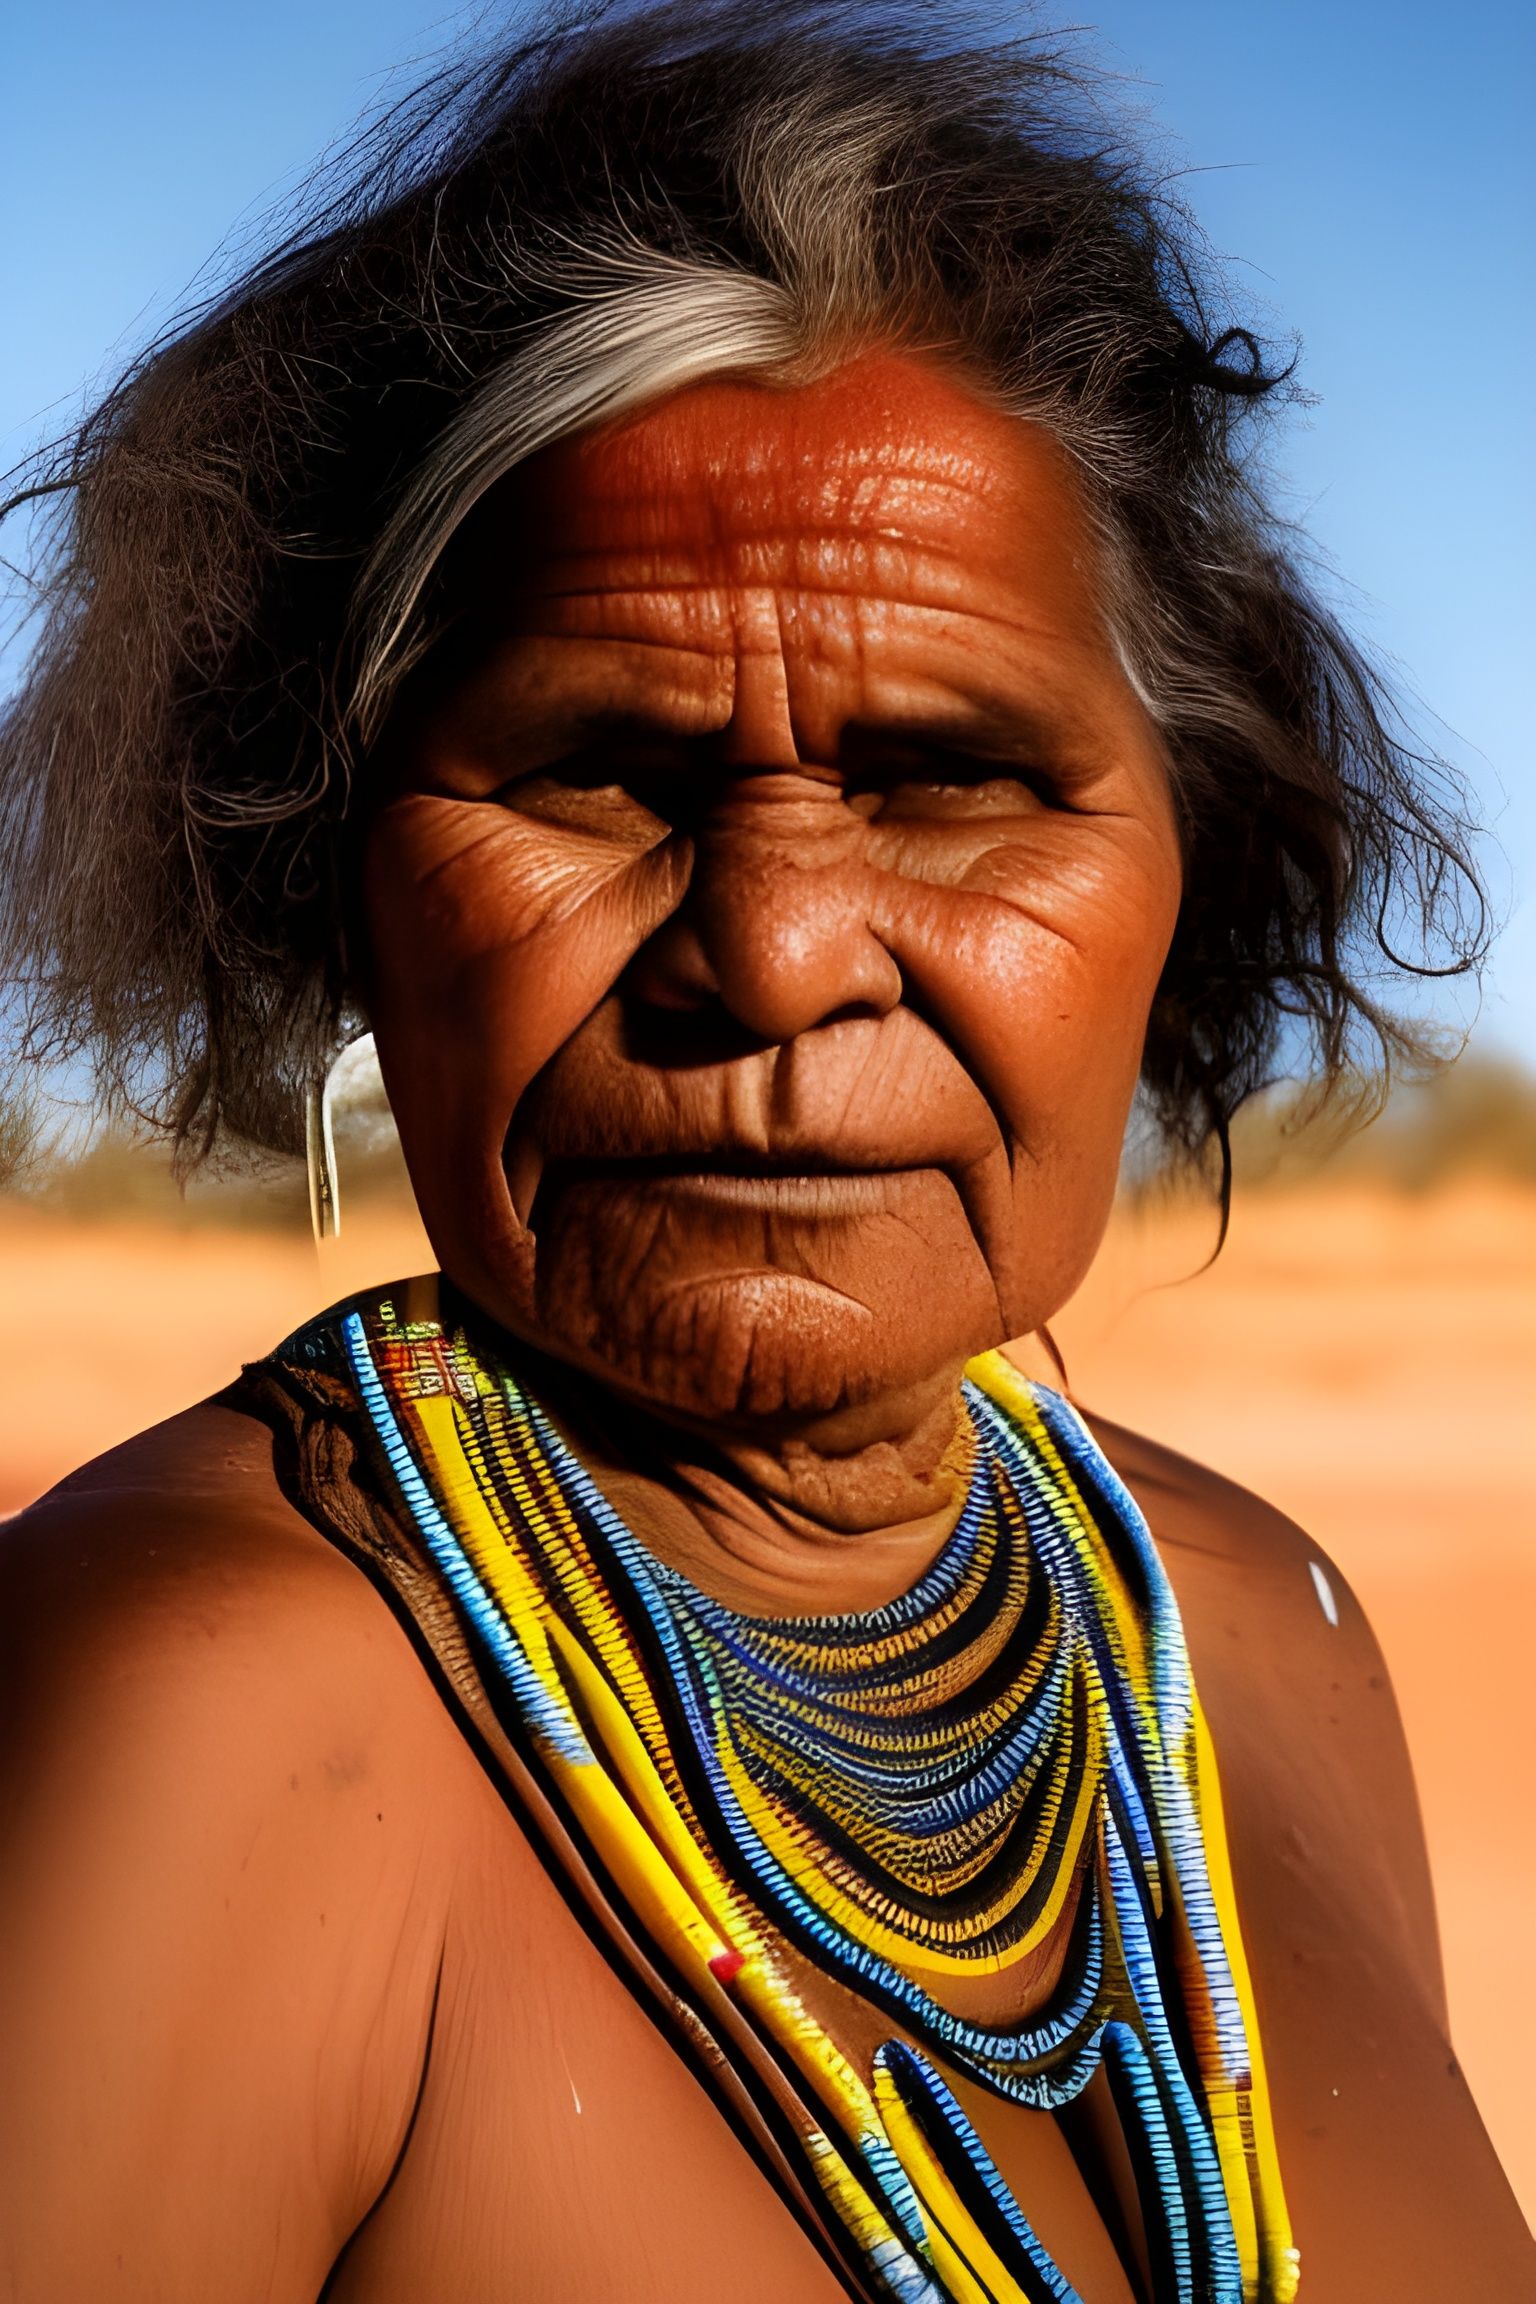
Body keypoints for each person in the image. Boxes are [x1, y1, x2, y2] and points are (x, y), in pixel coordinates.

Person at [1, 6, 1529, 2298]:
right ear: (334, 876)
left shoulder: (1256, 1637)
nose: (780, 951)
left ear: (1186, 860)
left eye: (945, 775)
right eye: (599, 772)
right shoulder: (203, 1707)